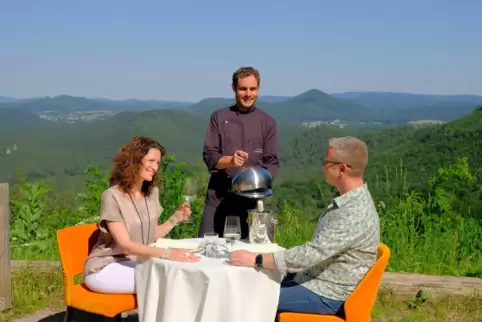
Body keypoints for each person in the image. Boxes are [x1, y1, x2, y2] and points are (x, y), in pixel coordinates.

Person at [229, 136, 380, 317]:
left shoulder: (354, 213)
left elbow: (310, 254)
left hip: (327, 293)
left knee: (251, 296)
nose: (323, 167)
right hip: (313, 279)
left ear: (342, 169)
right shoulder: (352, 201)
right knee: (257, 283)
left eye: (327, 162)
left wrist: (258, 259)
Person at [84, 136, 199, 294]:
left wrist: (175, 219)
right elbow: (126, 245)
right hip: (106, 267)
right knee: (166, 283)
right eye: (151, 160)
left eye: (158, 163)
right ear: (135, 160)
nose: (155, 167)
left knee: (179, 275)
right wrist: (167, 253)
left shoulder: (152, 194)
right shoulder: (111, 196)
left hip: (136, 262)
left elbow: (149, 236)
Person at [199, 66, 279, 239]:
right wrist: (231, 161)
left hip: (251, 200)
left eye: (253, 89)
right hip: (218, 196)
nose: (248, 94)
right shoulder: (219, 117)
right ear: (234, 88)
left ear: (258, 89)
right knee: (207, 247)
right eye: (243, 89)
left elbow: (272, 162)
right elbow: (209, 155)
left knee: (245, 254)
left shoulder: (268, 122)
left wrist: (261, 181)